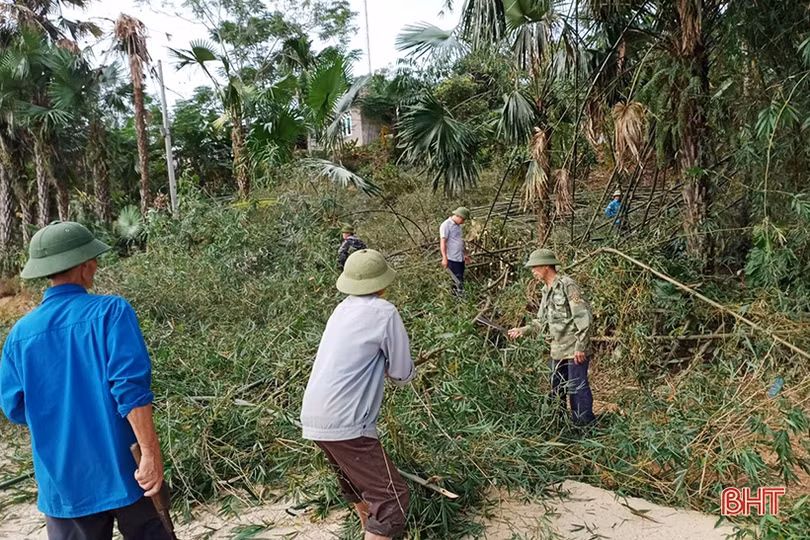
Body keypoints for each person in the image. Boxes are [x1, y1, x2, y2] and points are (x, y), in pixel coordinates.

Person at [0, 221, 170, 540]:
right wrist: (150, 454)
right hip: (127, 469)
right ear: (84, 266)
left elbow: (13, 407)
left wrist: (59, 414)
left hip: (63, 483)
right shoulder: (111, 312)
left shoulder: (19, 336)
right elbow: (130, 390)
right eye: (93, 259)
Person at [301, 249, 415, 540]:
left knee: (355, 483)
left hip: (315, 416)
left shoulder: (341, 309)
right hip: (347, 421)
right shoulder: (384, 311)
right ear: (382, 282)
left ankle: (368, 531)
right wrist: (392, 369)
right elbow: (401, 373)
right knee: (392, 500)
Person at [507, 249, 596, 427]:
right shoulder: (546, 290)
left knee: (577, 389)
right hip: (557, 350)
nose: (532, 271)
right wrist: (523, 330)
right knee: (557, 389)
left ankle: (584, 427)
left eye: (535, 267)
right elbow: (541, 322)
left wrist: (581, 346)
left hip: (574, 349)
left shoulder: (567, 285)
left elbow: (583, 317)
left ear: (546, 266)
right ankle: (561, 425)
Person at [439, 207, 471, 296]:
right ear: (458, 216)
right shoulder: (446, 225)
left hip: (460, 257)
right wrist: (444, 258)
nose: (463, 222)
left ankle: (456, 298)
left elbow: (460, 241)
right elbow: (443, 242)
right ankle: (460, 299)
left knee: (460, 278)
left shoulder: (458, 226)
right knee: (457, 280)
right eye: (463, 219)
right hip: (452, 258)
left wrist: (465, 254)